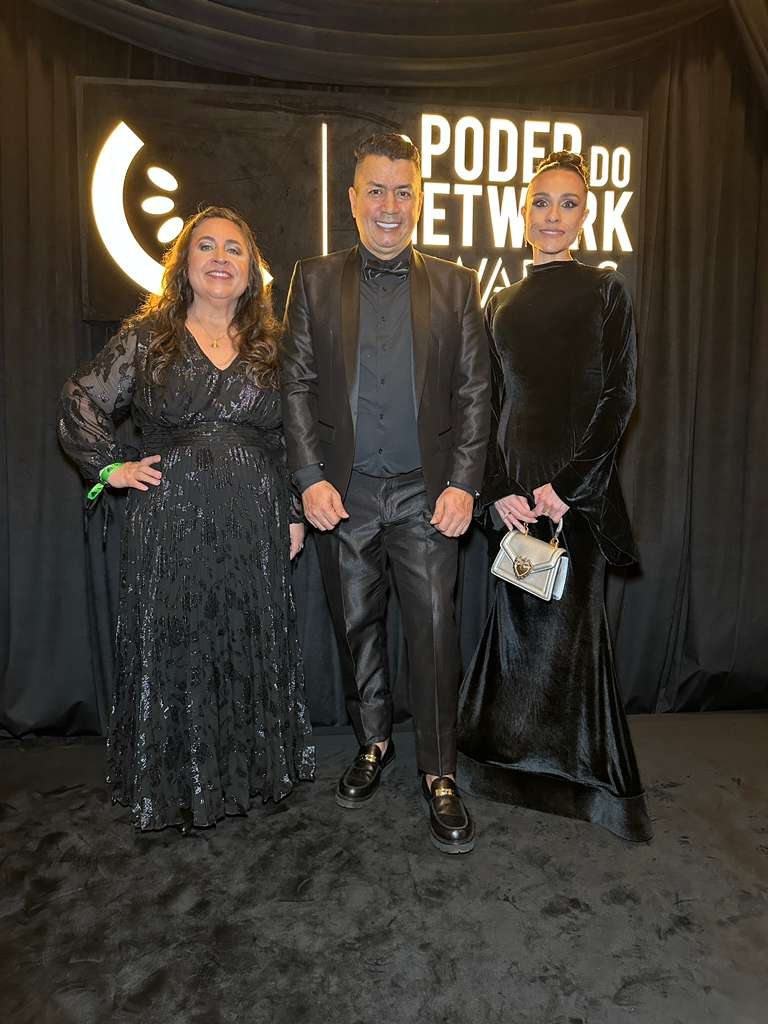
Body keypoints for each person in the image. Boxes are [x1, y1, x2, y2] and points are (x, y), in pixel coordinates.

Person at [58, 206, 315, 832]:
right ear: (185, 264)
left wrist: (292, 512)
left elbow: (290, 439)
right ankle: (176, 781)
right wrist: (108, 467)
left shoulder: (274, 345)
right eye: (207, 246)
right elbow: (81, 398)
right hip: (170, 521)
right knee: (177, 641)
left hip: (254, 518)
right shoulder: (148, 338)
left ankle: (250, 776)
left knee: (248, 638)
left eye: (235, 248)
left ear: (253, 270)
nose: (221, 257)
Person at [281, 133, 489, 854]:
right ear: (352, 199)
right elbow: (298, 386)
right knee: (356, 627)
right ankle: (374, 744)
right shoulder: (312, 279)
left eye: (403, 191)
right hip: (345, 496)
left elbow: (474, 394)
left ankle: (441, 774)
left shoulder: (459, 286)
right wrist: (308, 477)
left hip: (427, 497)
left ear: (420, 198)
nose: (390, 205)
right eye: (376, 190)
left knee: (435, 633)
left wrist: (464, 483)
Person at [457, 151, 652, 842]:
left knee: (570, 632)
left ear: (585, 215)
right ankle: (505, 767)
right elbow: (484, 408)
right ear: (524, 209)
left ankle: (582, 781)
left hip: (578, 495)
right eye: (542, 201)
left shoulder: (606, 291)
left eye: (568, 203)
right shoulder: (498, 302)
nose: (552, 216)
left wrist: (565, 487)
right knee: (516, 630)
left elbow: (617, 398)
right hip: (516, 495)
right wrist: (502, 492)